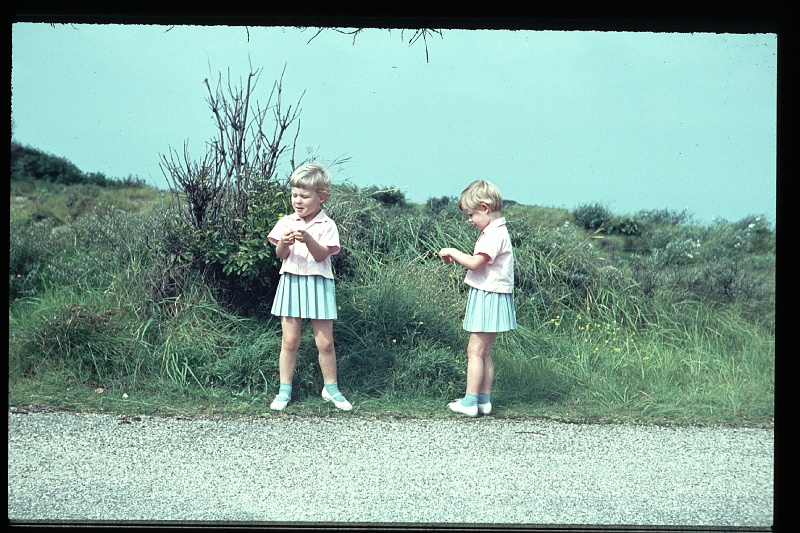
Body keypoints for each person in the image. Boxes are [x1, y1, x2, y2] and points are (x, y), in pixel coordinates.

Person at [267, 163, 352, 412]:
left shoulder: (327, 225)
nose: (298, 201)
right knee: (290, 341)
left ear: (321, 197)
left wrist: (308, 238)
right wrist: (283, 243)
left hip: (319, 284)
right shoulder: (286, 222)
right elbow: (281, 255)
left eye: (304, 196)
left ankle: (331, 389)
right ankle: (284, 390)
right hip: (291, 282)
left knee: (325, 343)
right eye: (294, 195)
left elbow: (321, 255)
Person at [439, 180, 517, 417]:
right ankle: (484, 400)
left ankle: (470, 402)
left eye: (471, 214)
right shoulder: (499, 231)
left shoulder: (493, 235)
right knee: (485, 352)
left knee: (474, 351)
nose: (470, 220)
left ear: (485, 208)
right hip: (495, 295)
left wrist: (452, 251)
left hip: (487, 295)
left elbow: (475, 263)